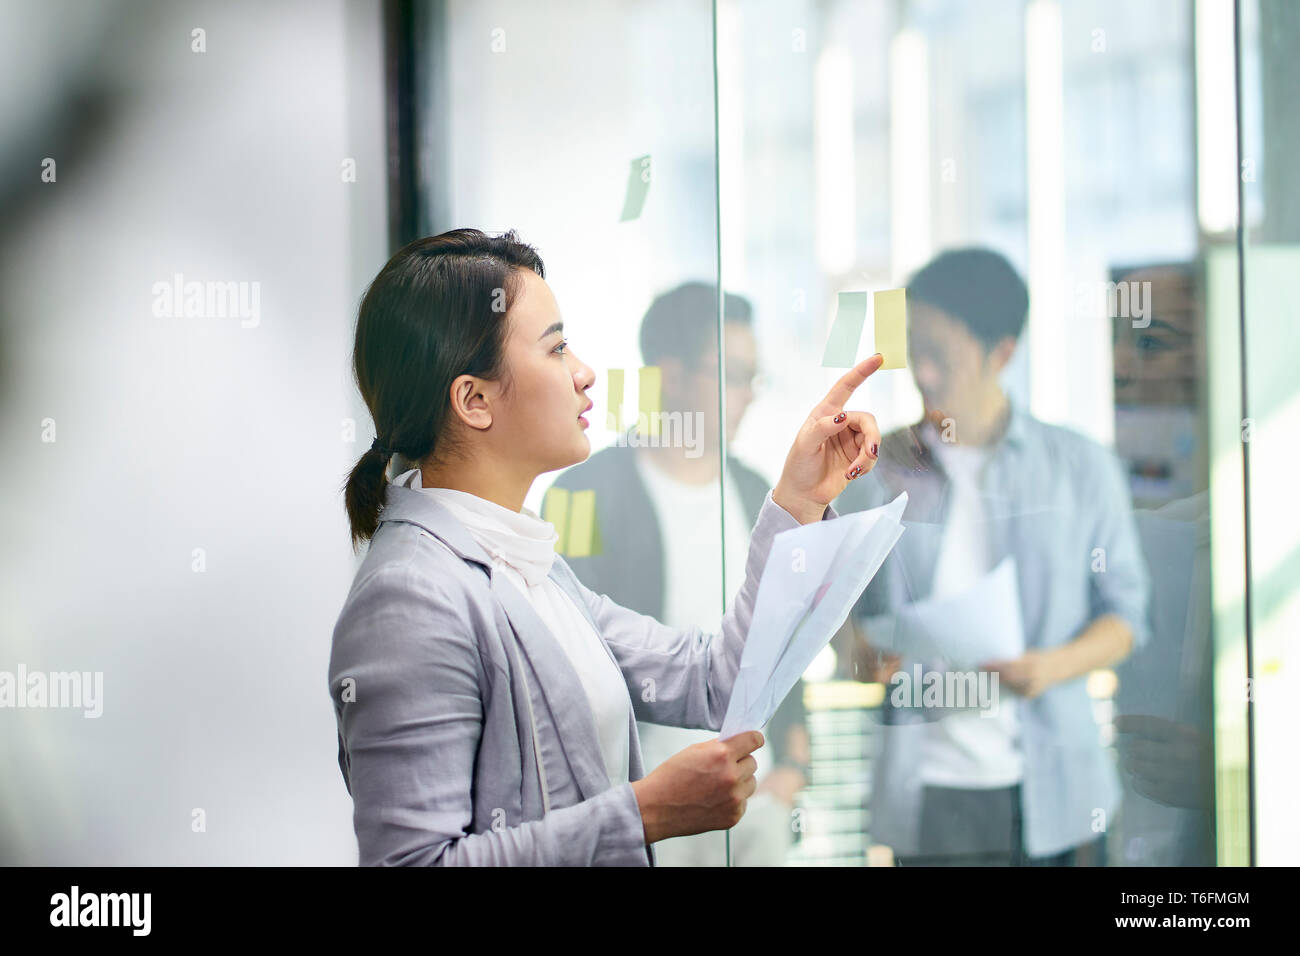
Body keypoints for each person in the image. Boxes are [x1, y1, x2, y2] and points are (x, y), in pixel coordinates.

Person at [328, 228, 886, 865]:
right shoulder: (409, 595)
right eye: (557, 348)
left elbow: (717, 681)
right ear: (473, 400)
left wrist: (798, 499)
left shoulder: (531, 568)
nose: (585, 374)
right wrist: (643, 813)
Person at [835, 247, 1151, 866]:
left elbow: (1127, 616)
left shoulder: (1079, 469)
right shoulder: (878, 470)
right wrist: (859, 655)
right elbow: (839, 615)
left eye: (941, 356)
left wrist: (1052, 666)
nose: (922, 373)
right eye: (914, 351)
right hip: (930, 794)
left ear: (1001, 352)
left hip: (1055, 790)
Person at [551, 282, 811, 866]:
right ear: (671, 373)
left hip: (751, 806)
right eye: (734, 374)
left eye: (753, 377)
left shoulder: (756, 491)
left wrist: (792, 769)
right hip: (645, 804)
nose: (747, 394)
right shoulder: (585, 492)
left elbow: (782, 635)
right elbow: (568, 653)